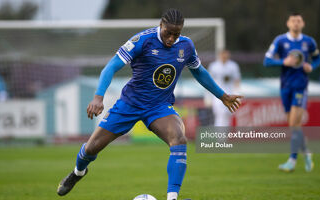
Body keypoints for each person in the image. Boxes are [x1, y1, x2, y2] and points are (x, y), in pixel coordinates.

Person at [57, 9, 242, 200]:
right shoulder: (142, 40)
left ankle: (172, 198)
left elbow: (199, 71)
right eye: (168, 33)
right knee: (91, 148)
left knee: (179, 139)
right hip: (130, 104)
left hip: (159, 107)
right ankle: (78, 173)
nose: (171, 38)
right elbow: (111, 66)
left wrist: (222, 95)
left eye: (176, 34)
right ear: (161, 25)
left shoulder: (186, 46)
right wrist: (98, 97)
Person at [263, 13, 320, 172]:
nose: (296, 23)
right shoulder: (280, 41)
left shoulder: (308, 42)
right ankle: (307, 153)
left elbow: (317, 59)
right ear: (288, 23)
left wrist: (312, 66)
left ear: (303, 23)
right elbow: (267, 61)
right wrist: (284, 61)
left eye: (299, 21)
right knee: (293, 125)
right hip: (285, 86)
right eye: (293, 21)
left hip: (300, 86)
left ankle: (292, 160)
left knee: (295, 123)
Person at [208, 50, 241, 126]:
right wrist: (208, 97)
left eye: (226, 54)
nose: (224, 56)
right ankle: (220, 136)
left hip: (230, 94)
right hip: (217, 95)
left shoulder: (233, 66)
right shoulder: (214, 66)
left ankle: (224, 136)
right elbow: (209, 82)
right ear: (219, 55)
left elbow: (237, 81)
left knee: (227, 115)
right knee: (220, 115)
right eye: (223, 54)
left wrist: (238, 93)